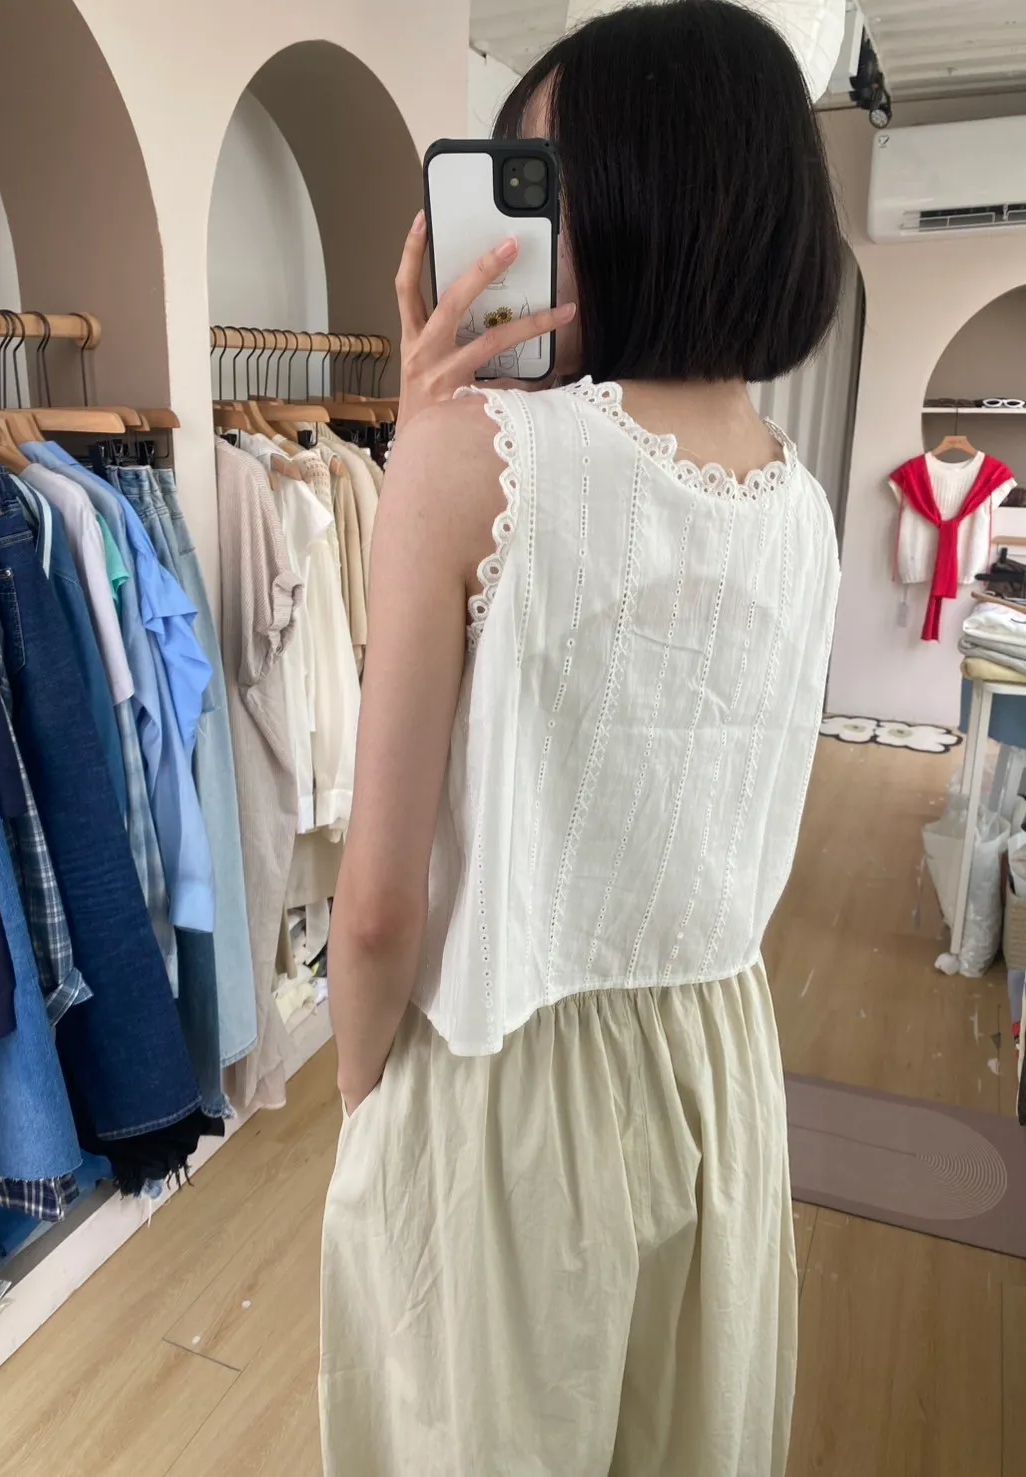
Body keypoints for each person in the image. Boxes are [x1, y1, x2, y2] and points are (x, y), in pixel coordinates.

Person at [320, 1, 842, 1471]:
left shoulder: (468, 458)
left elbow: (379, 906)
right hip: (720, 1076)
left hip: (503, 1092)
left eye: (541, 180)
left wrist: (363, 1104)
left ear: (633, 197)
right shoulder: (800, 507)